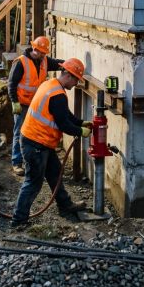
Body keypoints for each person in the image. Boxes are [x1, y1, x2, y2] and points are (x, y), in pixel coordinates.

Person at [11, 58, 90, 227]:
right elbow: (63, 123)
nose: (76, 83)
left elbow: (65, 114)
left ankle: (65, 205)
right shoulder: (58, 95)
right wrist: (80, 131)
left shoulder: (51, 85)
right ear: (68, 75)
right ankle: (19, 220)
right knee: (33, 182)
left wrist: (80, 122)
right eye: (76, 79)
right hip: (35, 143)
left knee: (55, 173)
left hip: (38, 141)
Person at [7, 36, 64, 176]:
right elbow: (11, 83)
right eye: (40, 52)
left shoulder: (44, 61)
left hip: (36, 104)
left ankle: (30, 161)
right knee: (19, 132)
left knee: (33, 133)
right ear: (34, 48)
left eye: (44, 53)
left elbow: (57, 64)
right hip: (21, 104)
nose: (43, 55)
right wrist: (14, 101)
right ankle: (17, 162)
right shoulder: (21, 62)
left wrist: (69, 64)